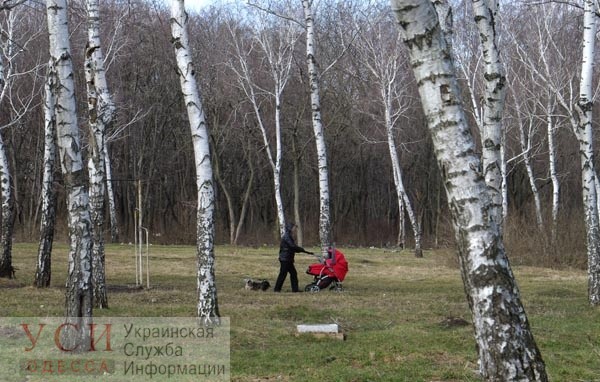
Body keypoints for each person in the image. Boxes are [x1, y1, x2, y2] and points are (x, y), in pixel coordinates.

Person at [274, 222, 312, 292]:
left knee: (293, 273)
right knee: (283, 274)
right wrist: (301, 249)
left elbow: (292, 248)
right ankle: (277, 289)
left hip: (288, 258)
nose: (294, 229)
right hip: (285, 258)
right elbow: (292, 246)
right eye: (294, 228)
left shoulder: (289, 236)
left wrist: (301, 250)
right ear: (290, 228)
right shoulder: (287, 236)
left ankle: (294, 289)